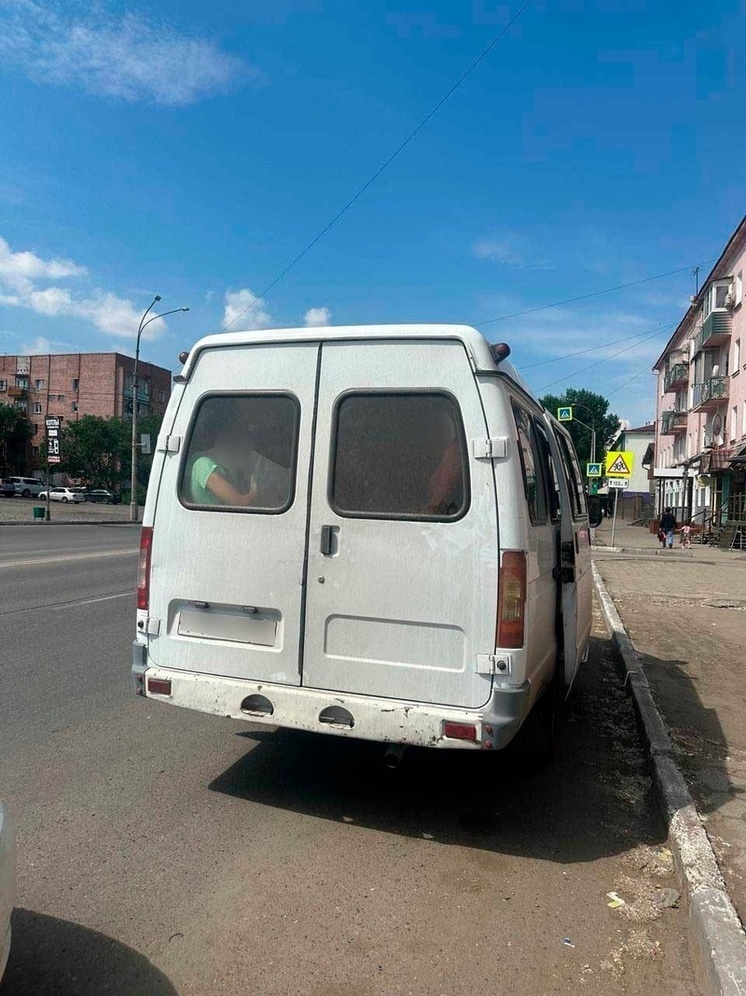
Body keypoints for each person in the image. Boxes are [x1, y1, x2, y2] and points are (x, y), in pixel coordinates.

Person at [189, 400, 290, 508]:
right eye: (236, 435)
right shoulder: (203, 464)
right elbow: (239, 502)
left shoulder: (228, 464)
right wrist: (270, 490)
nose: (242, 442)